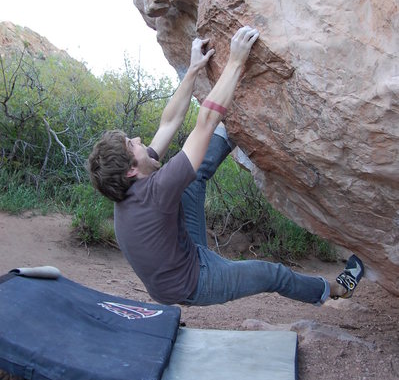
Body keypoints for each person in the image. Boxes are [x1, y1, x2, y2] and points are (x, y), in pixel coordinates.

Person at [88, 26, 364, 307]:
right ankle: (336, 289)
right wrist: (235, 61)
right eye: (131, 144)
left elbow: (169, 122)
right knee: (273, 274)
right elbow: (204, 122)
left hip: (181, 256)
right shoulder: (155, 191)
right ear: (130, 170)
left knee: (192, 178)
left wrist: (195, 69)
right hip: (194, 282)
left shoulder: (131, 183)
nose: (137, 140)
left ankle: (231, 132)